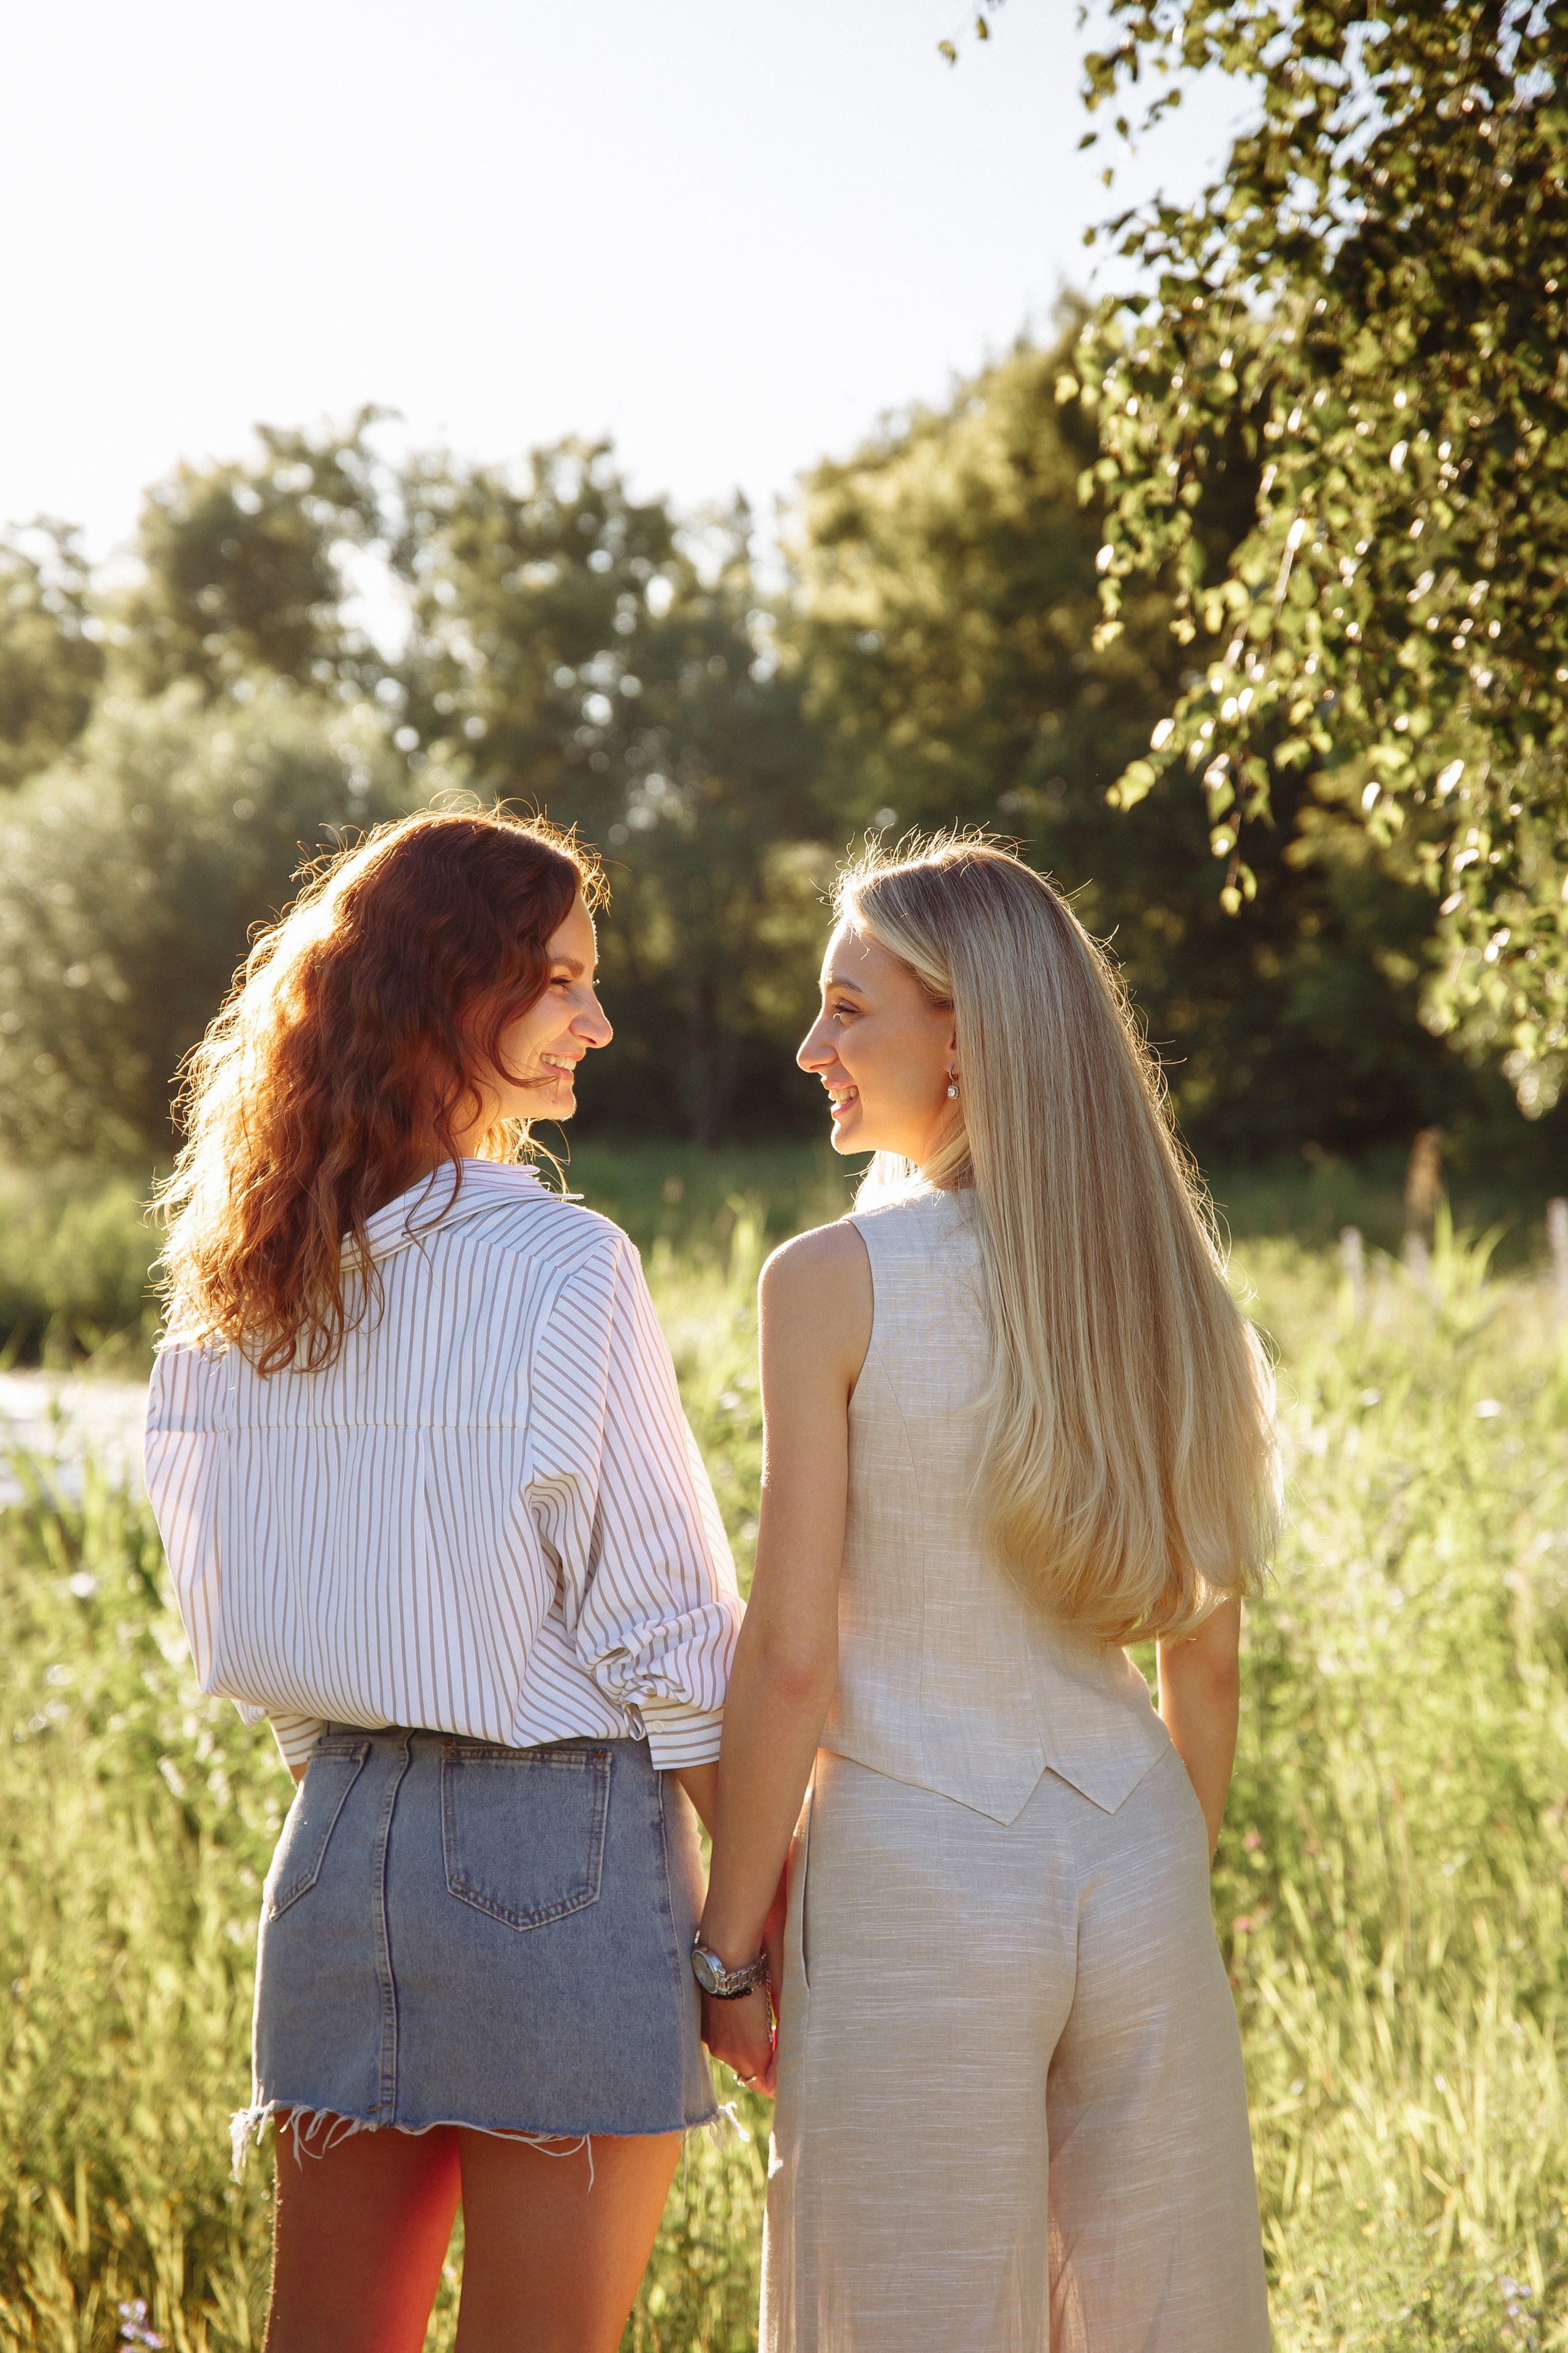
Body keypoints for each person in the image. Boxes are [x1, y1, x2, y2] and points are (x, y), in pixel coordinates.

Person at [144, 809, 742, 2353]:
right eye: (555, 980)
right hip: (562, 1849)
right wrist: (749, 1940)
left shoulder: (233, 1281)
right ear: (439, 989)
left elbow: (242, 1622)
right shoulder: (560, 1263)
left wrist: (369, 1763)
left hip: (333, 1844)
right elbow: (670, 1635)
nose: (594, 1020)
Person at [698, 834, 1280, 2352]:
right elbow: (1203, 1663)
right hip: (1135, 1852)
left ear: (962, 1031)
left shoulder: (829, 1281)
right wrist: (1163, 1877)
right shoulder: (1172, 1284)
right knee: (1163, 2319)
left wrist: (726, 1945)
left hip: (914, 1872)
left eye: (846, 1007)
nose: (813, 1046)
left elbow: (789, 1659)